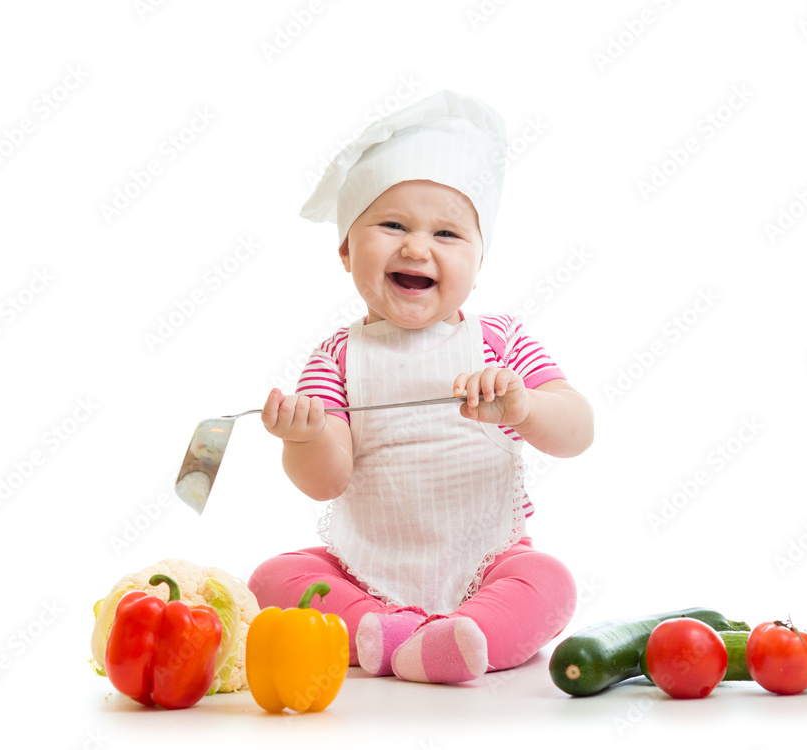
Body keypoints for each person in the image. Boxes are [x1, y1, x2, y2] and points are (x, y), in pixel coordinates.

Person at [247, 90, 594, 684]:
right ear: (345, 250)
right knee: (274, 580)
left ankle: (460, 633)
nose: (416, 247)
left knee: (548, 583)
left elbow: (577, 431)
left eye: (448, 234)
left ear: (479, 263)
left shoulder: (501, 340)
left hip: (489, 562)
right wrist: (304, 440)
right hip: (364, 570)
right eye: (392, 225)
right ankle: (399, 634)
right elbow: (327, 481)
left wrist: (525, 406)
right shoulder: (336, 358)